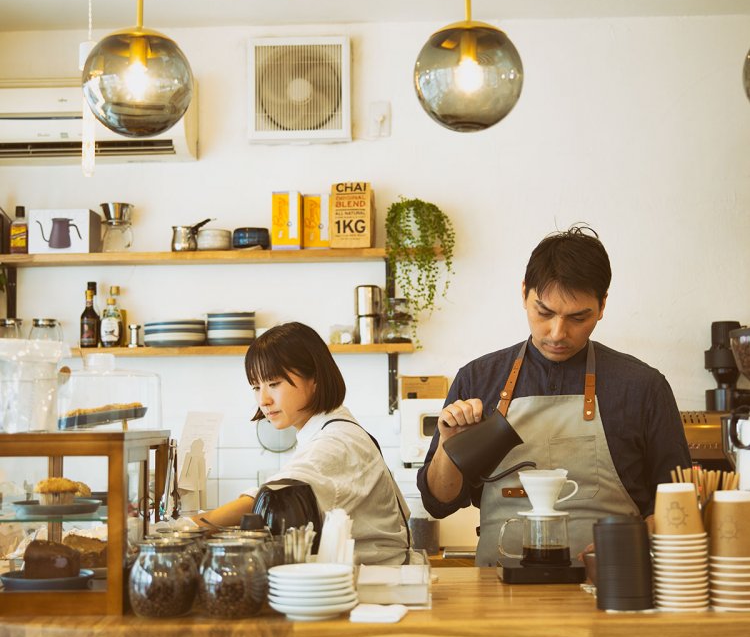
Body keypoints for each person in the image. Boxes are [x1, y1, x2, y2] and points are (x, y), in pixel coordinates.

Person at [417, 225, 691, 566]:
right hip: (497, 591)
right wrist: (448, 444)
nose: (558, 333)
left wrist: (628, 542)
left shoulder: (642, 387)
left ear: (602, 305)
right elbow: (438, 503)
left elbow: (679, 508)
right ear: (523, 294)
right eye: (544, 313)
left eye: (578, 317)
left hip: (608, 588)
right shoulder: (477, 378)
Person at [195, 321, 409, 565]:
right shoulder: (327, 428)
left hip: (379, 583)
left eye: (274, 384)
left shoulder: (337, 440)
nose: (263, 399)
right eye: (256, 386)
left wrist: (194, 526)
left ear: (314, 379)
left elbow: (276, 494)